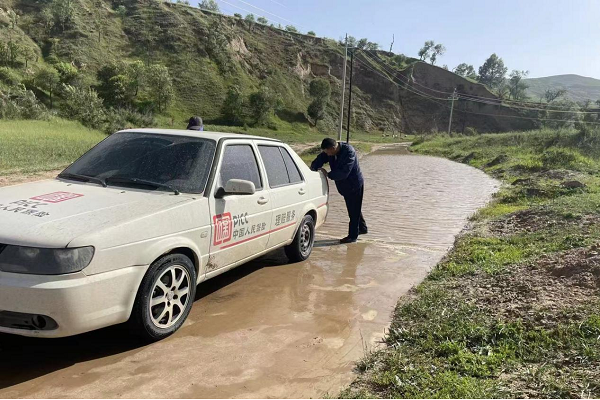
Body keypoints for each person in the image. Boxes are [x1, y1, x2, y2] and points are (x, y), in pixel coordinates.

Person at [310, 138, 368, 244]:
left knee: (353, 211)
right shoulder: (330, 152)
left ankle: (352, 236)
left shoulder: (349, 152)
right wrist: (313, 169)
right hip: (344, 186)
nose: (327, 154)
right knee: (354, 207)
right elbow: (320, 159)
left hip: (354, 184)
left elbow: (344, 172)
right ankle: (362, 228)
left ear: (333, 148)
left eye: (328, 152)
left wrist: (328, 174)